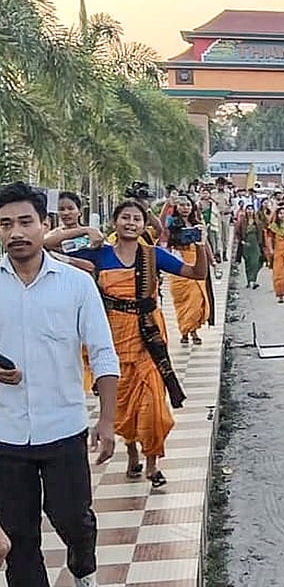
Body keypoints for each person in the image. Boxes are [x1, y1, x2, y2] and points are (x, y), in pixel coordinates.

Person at [0, 183, 120, 587]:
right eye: (5, 224)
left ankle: (83, 565)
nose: (15, 233)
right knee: (18, 535)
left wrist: (107, 420)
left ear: (45, 225)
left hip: (64, 425)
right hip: (6, 434)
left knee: (72, 517)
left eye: (25, 222)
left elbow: (104, 353)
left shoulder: (76, 284)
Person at [50, 200, 210, 489]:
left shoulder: (153, 256)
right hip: (112, 337)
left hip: (149, 337)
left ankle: (152, 463)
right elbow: (47, 245)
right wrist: (85, 229)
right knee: (122, 403)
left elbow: (196, 274)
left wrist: (200, 244)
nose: (131, 223)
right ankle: (132, 451)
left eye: (137, 218)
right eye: (125, 217)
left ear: (144, 225)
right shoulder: (100, 254)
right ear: (115, 222)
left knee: (152, 402)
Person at [165, 197, 212, 346]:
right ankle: (184, 331)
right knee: (182, 302)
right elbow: (161, 228)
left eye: (188, 205)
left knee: (197, 300)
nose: (185, 208)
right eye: (181, 205)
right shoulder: (172, 223)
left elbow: (205, 243)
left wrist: (212, 259)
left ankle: (194, 331)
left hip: (197, 262)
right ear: (177, 207)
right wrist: (167, 205)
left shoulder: (197, 224)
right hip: (179, 265)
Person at [234, 204, 266, 289]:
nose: (250, 211)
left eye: (251, 209)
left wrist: (262, 244)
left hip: (255, 243)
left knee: (256, 263)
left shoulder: (258, 222)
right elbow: (237, 232)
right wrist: (242, 241)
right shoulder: (242, 221)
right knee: (248, 263)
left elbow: (262, 233)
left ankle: (253, 280)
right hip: (246, 244)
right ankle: (249, 281)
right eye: (248, 209)